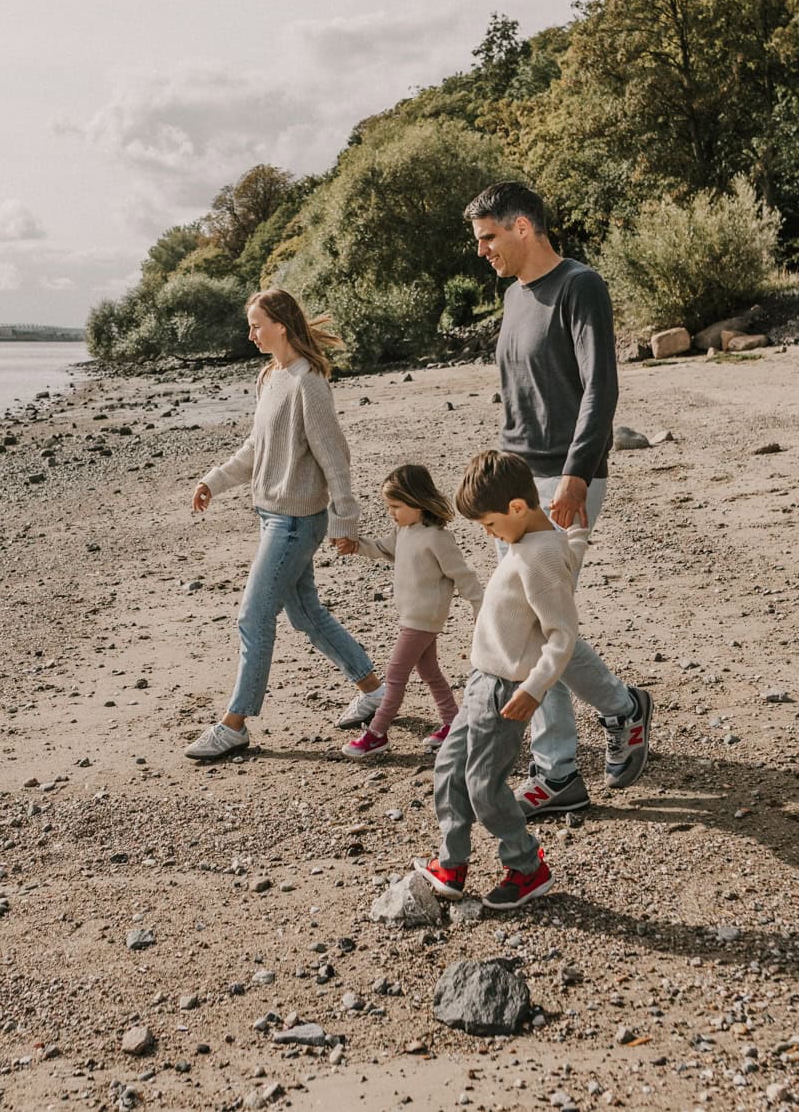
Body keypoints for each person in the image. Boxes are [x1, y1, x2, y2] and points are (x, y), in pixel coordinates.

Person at [464, 181, 651, 815]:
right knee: (534, 619)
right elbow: (518, 397)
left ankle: (569, 760)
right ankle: (597, 734)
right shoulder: (513, 297)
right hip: (519, 480)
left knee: (539, 620)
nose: (482, 250)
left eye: (488, 237)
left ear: (522, 227)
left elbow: (601, 388)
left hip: (566, 479)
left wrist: (575, 473)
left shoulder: (580, 285)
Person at [416, 450, 653, 909]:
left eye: (488, 524)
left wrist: (534, 688)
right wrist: (579, 532)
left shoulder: (537, 557)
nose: (488, 534)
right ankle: (452, 863)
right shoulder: (536, 542)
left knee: (484, 784)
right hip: (482, 680)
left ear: (518, 508)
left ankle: (527, 868)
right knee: (449, 767)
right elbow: (569, 552)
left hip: (507, 689)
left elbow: (563, 637)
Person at [186, 288, 383, 761]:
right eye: (250, 325)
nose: (250, 334)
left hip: (296, 523)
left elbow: (335, 459)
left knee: (254, 617)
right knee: (305, 615)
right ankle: (375, 690)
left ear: (281, 325)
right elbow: (256, 448)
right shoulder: (271, 376)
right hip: (270, 515)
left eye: (256, 325)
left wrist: (345, 520)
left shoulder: (308, 384)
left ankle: (234, 724)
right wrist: (214, 480)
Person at [341, 464, 483, 759]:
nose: (391, 512)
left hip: (424, 618)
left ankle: (377, 733)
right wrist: (356, 546)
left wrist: (480, 608)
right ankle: (454, 723)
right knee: (429, 671)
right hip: (412, 616)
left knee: (394, 675)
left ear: (418, 501)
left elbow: (463, 575)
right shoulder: (404, 531)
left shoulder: (437, 538)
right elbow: (381, 549)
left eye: (396, 506)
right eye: (388, 506)